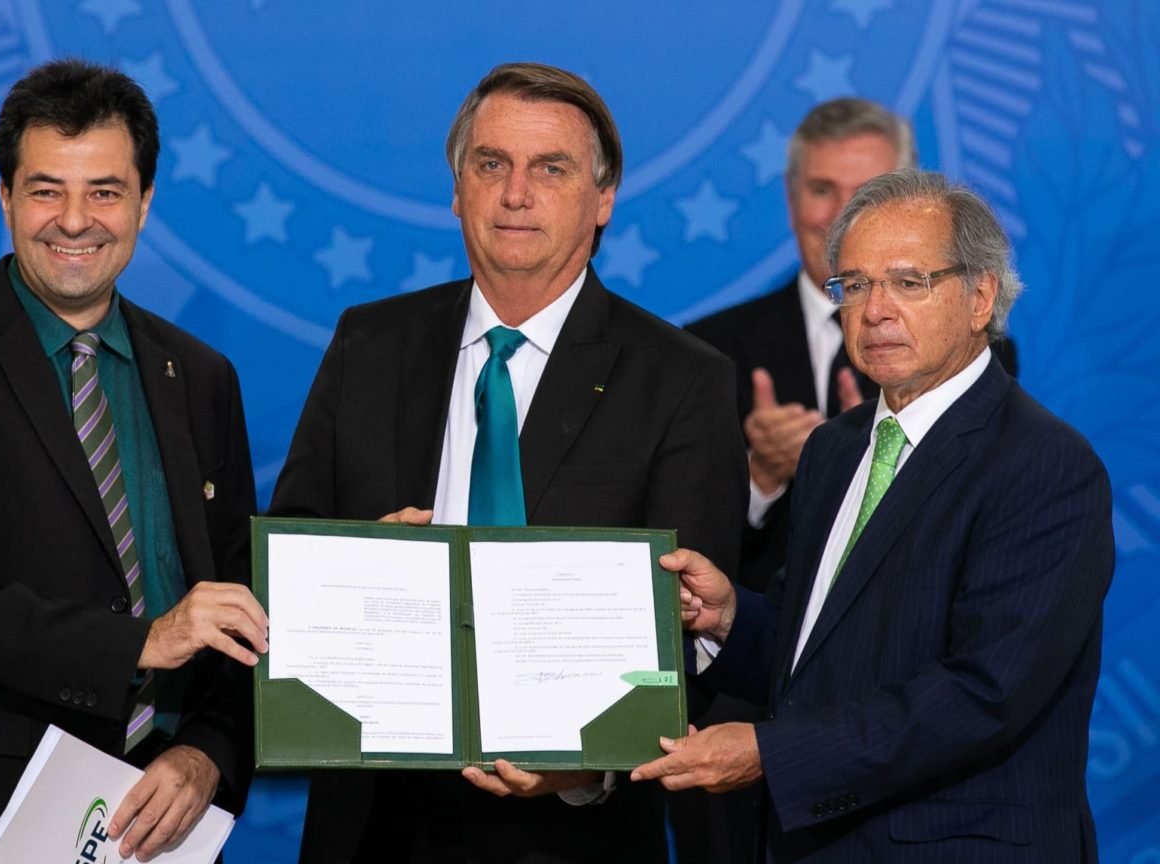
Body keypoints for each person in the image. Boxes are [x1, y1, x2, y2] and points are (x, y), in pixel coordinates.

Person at [270, 62, 747, 864]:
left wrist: (583, 766)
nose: (515, 193)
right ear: (458, 189)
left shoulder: (683, 379)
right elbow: (284, 561)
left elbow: (694, 626)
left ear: (602, 202)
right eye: (491, 165)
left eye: (550, 169)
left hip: (577, 835)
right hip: (374, 827)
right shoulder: (368, 343)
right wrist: (349, 571)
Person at [0, 60, 265, 863]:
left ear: (144, 202)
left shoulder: (202, 376)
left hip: (157, 827)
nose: (75, 220)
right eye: (46, 190)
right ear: (5, 198)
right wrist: (144, 642)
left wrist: (206, 754)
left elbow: (238, 605)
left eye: (105, 191)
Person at [633, 169, 1114, 862]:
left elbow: (983, 693)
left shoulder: (1045, 466)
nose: (875, 309)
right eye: (854, 285)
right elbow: (831, 654)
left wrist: (772, 751)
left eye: (908, 282)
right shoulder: (836, 446)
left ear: (981, 297)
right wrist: (731, 617)